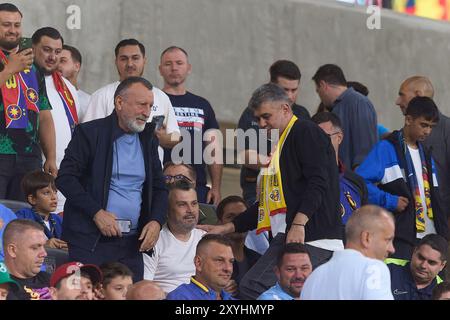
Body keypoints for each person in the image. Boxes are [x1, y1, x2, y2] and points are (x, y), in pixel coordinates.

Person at [199, 83, 342, 300]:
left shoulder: (304, 131)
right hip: (292, 234)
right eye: (258, 119)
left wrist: (299, 223)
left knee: (253, 287)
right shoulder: (281, 143)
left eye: (266, 116)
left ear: (285, 109)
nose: (261, 124)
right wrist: (227, 227)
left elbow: (318, 182)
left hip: (311, 238)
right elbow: (268, 205)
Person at [56, 77, 168, 282]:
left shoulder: (148, 139)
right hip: (90, 241)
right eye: (142, 104)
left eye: (150, 106)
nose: (147, 112)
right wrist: (96, 212)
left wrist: (156, 221)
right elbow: (65, 178)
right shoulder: (90, 133)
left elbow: (160, 188)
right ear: (119, 103)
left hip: (133, 244)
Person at [357, 97, 448, 259]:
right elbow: (359, 183)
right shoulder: (386, 148)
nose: (427, 131)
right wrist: (389, 200)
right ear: (408, 120)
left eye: (431, 127)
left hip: (431, 238)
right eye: (423, 125)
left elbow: (436, 198)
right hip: (400, 238)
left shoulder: (426, 154)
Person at [83, 39, 180, 165]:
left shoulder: (161, 97)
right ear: (116, 61)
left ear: (144, 60)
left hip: (150, 174)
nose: (130, 64)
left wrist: (160, 138)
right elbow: (87, 137)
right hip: (110, 174)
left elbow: (177, 137)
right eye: (124, 59)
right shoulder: (101, 96)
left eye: (135, 58)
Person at [0, 3, 57, 201]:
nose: (12, 30)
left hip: (29, 155)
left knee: (24, 218)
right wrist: (9, 70)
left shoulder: (32, 64)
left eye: (17, 25)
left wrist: (50, 156)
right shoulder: (17, 63)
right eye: (6, 25)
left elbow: (44, 114)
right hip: (1, 152)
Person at [238, 60, 310, 206]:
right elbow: (244, 155)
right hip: (258, 190)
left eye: (294, 90)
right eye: (285, 90)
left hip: (293, 191)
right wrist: (273, 164)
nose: (290, 96)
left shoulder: (303, 114)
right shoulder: (252, 113)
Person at [159, 46, 222, 205]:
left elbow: (213, 149)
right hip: (160, 184)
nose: (174, 68)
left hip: (196, 186)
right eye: (168, 64)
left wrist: (216, 187)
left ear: (189, 68)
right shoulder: (155, 101)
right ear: (160, 69)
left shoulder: (203, 105)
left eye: (179, 63)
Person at [32, 27, 80, 213]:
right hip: (31, 169)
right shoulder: (24, 78)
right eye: (47, 50)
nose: (53, 56)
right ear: (34, 47)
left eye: (57, 52)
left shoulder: (67, 86)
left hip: (63, 172)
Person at [301, 205, 395, 300]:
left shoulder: (313, 278)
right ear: (366, 238)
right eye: (388, 240)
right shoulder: (373, 269)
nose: (392, 249)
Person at [395, 76, 450, 227]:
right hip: (409, 228)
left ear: (418, 95)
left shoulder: (447, 130)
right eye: (424, 125)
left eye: (402, 95)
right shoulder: (398, 139)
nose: (397, 101)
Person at [143, 180, 206, 293]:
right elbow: (145, 289)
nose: (190, 210)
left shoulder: (205, 239)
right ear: (166, 210)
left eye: (194, 203)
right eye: (182, 204)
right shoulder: (153, 240)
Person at [312, 64, 377, 169]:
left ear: (323, 85)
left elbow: (365, 151)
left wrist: (357, 182)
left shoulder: (358, 103)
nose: (320, 96)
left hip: (356, 180)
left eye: (318, 91)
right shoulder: (340, 107)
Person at [311, 112, 368, 224]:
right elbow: (265, 159)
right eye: (315, 137)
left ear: (339, 138)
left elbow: (364, 224)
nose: (320, 142)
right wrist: (265, 133)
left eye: (325, 137)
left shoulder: (356, 182)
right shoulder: (305, 180)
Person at [166, 234, 235, 300]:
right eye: (219, 260)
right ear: (198, 263)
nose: (228, 268)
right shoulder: (180, 297)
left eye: (231, 261)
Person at [215, 195, 262, 290]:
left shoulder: (259, 261)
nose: (238, 222)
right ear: (219, 223)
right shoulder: (212, 261)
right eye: (230, 217)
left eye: (242, 217)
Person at [15, 170, 66, 250]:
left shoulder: (58, 220)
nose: (54, 197)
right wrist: (43, 245)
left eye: (55, 192)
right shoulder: (23, 217)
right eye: (46, 193)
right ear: (32, 199)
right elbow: (16, 242)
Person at [388, 234, 447, 300]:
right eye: (421, 257)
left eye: (431, 262)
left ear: (442, 265)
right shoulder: (387, 268)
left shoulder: (444, 291)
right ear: (414, 251)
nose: (423, 265)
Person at [3, 219, 50, 300]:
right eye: (35, 248)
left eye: (44, 247)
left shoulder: (51, 280)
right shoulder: (3, 289)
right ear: (12, 250)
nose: (44, 254)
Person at [57, 44, 90, 122]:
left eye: (62, 61)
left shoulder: (88, 101)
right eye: (56, 61)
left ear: (77, 67)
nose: (57, 65)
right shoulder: (48, 95)